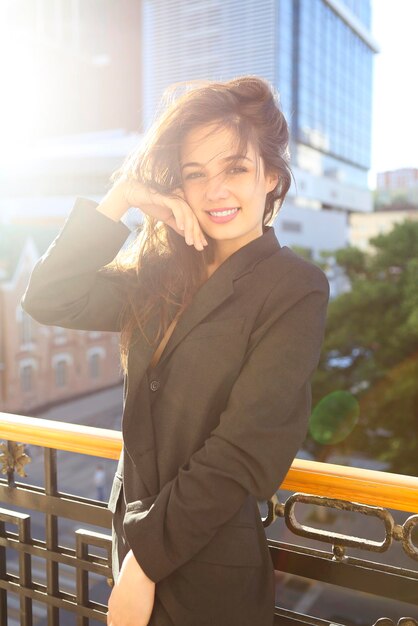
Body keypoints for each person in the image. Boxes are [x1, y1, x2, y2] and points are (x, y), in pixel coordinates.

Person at [21, 76, 330, 626]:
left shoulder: (295, 286)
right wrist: (124, 195)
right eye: (195, 174)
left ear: (273, 178)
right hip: (133, 539)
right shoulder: (159, 274)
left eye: (235, 168)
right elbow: (50, 298)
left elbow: (243, 451)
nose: (215, 191)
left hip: (207, 569)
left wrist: (143, 567)